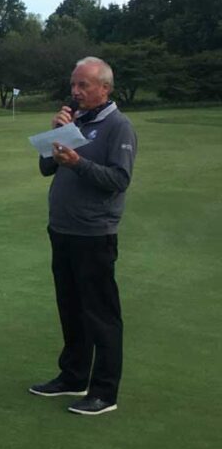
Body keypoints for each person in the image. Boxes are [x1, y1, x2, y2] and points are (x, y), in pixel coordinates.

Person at [29, 57, 137, 416]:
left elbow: (118, 181)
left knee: (101, 315)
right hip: (62, 230)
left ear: (105, 88)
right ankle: (73, 376)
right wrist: (57, 133)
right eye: (73, 85)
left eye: (84, 86)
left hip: (94, 234)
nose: (75, 92)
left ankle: (104, 392)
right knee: (71, 308)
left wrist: (78, 163)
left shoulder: (118, 127)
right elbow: (46, 167)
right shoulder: (76, 120)